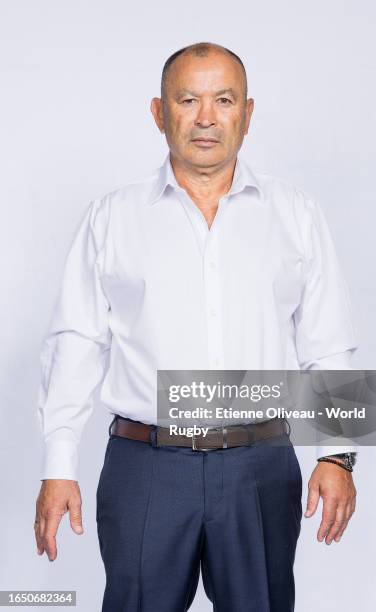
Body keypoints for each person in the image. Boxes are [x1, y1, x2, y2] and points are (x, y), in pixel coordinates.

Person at [34, 42, 358, 611]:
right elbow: (76, 341)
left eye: (224, 100)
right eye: (187, 100)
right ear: (159, 113)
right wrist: (58, 465)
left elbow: (330, 346)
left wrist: (338, 457)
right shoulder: (112, 216)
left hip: (260, 467)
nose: (206, 117)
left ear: (247, 114)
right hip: (145, 469)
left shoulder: (296, 214)